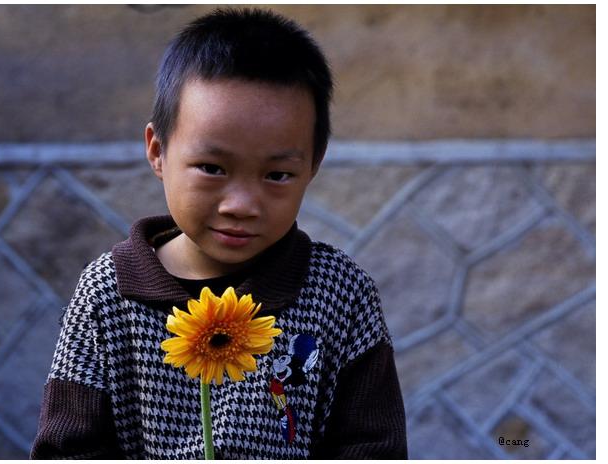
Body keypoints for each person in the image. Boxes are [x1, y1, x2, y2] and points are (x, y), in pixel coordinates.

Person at [30, 7, 407, 459]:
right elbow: (67, 449)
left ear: (313, 164)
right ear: (157, 151)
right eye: (211, 168)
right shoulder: (107, 297)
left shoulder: (340, 296)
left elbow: (374, 448)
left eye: (278, 175)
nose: (241, 205)